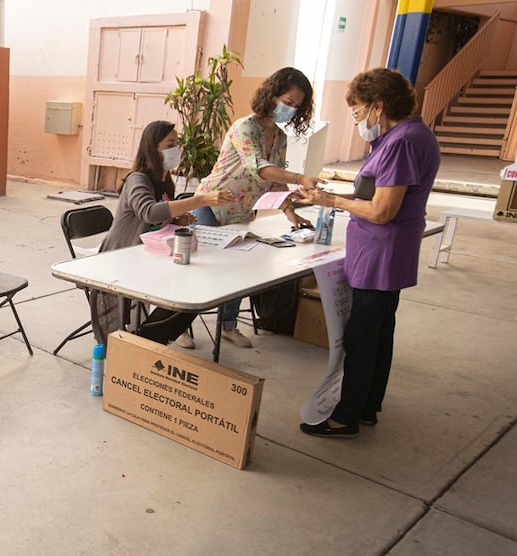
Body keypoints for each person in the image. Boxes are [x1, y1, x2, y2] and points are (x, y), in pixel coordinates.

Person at [296, 67, 440, 438]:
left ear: (378, 106)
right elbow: (375, 195)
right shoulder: (410, 135)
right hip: (386, 252)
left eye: (359, 112)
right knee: (378, 332)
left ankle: (345, 417)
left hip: (382, 254)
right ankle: (367, 406)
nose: (357, 120)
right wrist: (334, 197)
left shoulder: (402, 142)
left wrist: (329, 200)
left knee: (362, 336)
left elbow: (381, 210)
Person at [178, 67, 325, 350]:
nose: (290, 109)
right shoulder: (244, 127)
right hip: (209, 204)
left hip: (242, 212)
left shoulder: (280, 138)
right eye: (287, 101)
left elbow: (275, 184)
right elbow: (259, 168)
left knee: (238, 270)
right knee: (197, 268)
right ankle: (181, 326)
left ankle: (228, 325)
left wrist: (292, 214)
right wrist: (300, 178)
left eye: (296, 106)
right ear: (271, 95)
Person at [91, 120, 233, 346]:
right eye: (170, 144)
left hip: (150, 254)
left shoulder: (163, 179)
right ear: (152, 148)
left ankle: (151, 337)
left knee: (196, 289)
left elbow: (159, 218)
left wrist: (177, 219)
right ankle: (148, 339)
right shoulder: (138, 179)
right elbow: (149, 212)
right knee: (185, 291)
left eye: (176, 143)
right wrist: (201, 199)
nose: (176, 149)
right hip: (122, 256)